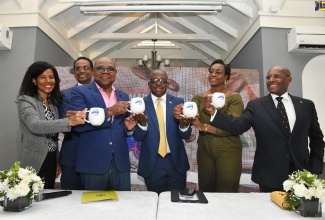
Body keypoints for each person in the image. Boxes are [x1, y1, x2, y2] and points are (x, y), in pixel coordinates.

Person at [202, 65, 324, 192]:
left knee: (299, 212)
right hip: (269, 176)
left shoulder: (306, 105)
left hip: (302, 174)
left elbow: (317, 140)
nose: (271, 80)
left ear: (289, 79)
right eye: (268, 77)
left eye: (276, 76)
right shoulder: (256, 106)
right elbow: (237, 126)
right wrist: (213, 112)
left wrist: (315, 167)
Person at [16, 61, 87, 189]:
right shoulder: (25, 100)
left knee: (46, 199)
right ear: (34, 80)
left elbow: (53, 137)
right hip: (34, 160)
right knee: (29, 199)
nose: (48, 81)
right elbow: (35, 125)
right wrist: (69, 121)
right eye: (42, 77)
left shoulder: (53, 103)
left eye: (51, 77)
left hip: (51, 160)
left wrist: (57, 160)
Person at [177, 59, 245, 192]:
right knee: (206, 190)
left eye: (218, 72)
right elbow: (191, 118)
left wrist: (204, 127)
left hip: (228, 149)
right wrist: (181, 114)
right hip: (205, 150)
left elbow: (234, 128)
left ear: (226, 77)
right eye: (211, 71)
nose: (213, 74)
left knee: (227, 191)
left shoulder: (234, 98)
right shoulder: (199, 98)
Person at [68, 57, 133, 191]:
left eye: (110, 69)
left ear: (115, 72)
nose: (105, 72)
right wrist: (109, 112)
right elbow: (78, 125)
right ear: (93, 72)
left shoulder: (123, 96)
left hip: (120, 164)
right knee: (94, 210)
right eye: (100, 68)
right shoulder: (80, 92)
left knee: (124, 208)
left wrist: (128, 130)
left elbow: (121, 127)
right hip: (93, 163)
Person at [130, 69, 192, 194]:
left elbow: (185, 135)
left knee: (176, 203)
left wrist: (184, 125)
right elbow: (138, 137)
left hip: (175, 163)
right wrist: (142, 125)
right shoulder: (140, 104)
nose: (158, 83)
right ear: (149, 84)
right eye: (155, 80)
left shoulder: (178, 103)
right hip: (152, 164)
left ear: (167, 84)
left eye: (162, 80)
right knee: (155, 203)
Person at [58, 57, 94, 190]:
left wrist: (77, 116)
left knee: (94, 201)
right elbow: (63, 121)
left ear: (92, 72)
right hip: (71, 156)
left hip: (96, 156)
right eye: (78, 68)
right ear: (74, 72)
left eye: (85, 67)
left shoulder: (102, 94)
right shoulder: (65, 95)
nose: (82, 71)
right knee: (69, 200)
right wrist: (70, 120)